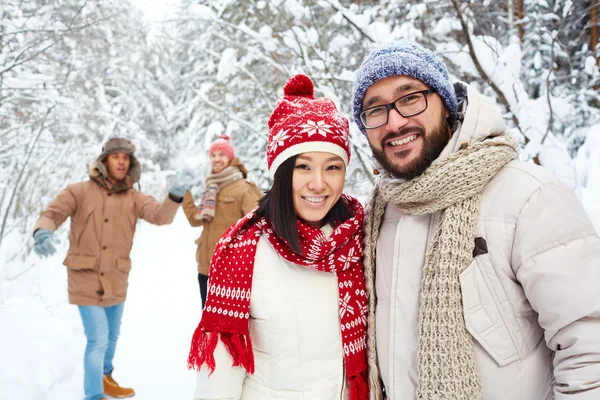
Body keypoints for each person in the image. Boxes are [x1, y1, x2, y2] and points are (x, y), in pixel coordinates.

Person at [351, 40, 600, 400]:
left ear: (446, 106)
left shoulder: (528, 195)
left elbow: (590, 349)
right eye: (375, 111)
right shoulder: (380, 215)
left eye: (410, 98)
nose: (395, 121)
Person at [187, 74, 369, 400]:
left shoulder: (361, 240)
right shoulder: (243, 251)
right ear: (281, 172)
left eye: (332, 167)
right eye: (303, 166)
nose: (318, 183)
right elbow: (219, 379)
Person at [32, 137, 188, 400]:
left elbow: (161, 217)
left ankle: (105, 378)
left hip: (116, 277)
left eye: (126, 158)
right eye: (116, 156)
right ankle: (93, 395)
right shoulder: (79, 191)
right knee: (98, 339)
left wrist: (175, 194)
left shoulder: (135, 197)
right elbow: (52, 213)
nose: (122, 162)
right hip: (84, 277)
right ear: (104, 160)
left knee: (112, 335)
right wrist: (42, 233)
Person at [181, 135, 262, 309]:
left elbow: (259, 227)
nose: (217, 159)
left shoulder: (243, 188)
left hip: (230, 268)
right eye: (213, 155)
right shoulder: (212, 186)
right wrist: (184, 192)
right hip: (206, 266)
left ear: (230, 158)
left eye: (221, 155)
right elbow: (196, 220)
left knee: (230, 322)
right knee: (208, 320)